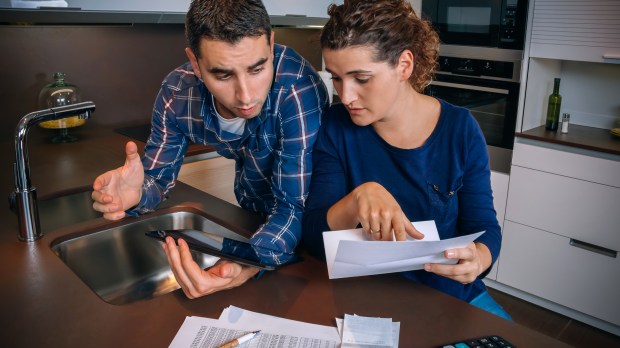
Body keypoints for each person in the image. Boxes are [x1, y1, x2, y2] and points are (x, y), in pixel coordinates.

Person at [92, 0, 329, 298]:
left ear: (270, 44)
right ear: (195, 63)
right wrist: (138, 193)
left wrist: (249, 262)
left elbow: (294, 207)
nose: (246, 95)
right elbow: (156, 179)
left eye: (257, 68)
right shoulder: (178, 94)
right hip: (251, 214)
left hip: (311, 229)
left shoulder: (296, 88)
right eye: (223, 75)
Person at [301, 0, 511, 319]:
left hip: (450, 298)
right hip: (368, 301)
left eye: (362, 78)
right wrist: (356, 200)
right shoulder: (336, 127)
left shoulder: (460, 129)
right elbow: (313, 240)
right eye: (337, 78)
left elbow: (484, 226)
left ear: (404, 65)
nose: (345, 96)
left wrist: (479, 259)